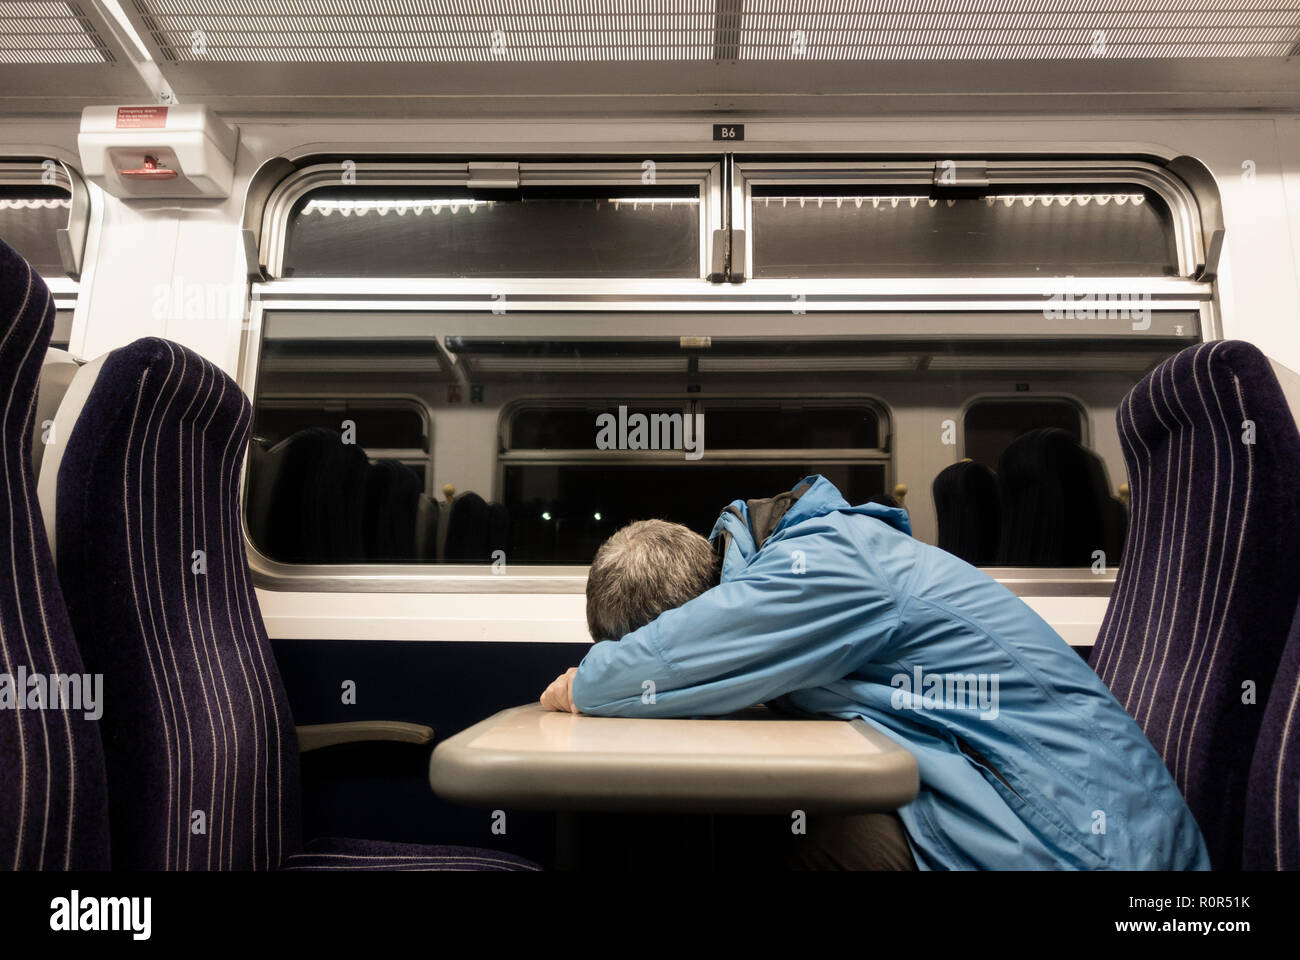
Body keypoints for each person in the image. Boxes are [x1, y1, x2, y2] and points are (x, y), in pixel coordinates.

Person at [540, 475, 1210, 870]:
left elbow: (652, 667)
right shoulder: (797, 565)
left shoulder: (823, 566)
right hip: (1031, 809)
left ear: (699, 616)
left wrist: (585, 681)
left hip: (1092, 846)